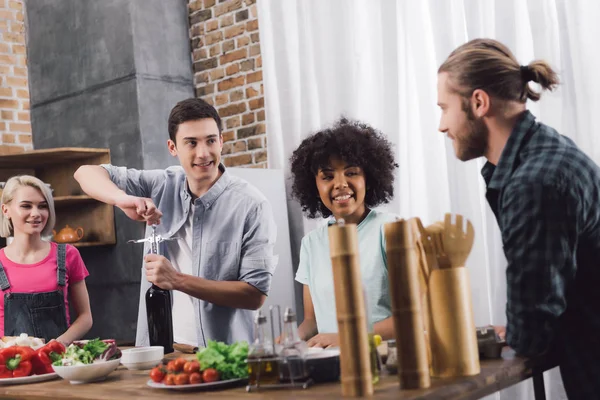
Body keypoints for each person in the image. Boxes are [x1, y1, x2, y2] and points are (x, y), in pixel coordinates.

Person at [437, 38, 600, 399]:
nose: (442, 125)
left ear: (478, 103)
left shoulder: (534, 182)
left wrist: (516, 330)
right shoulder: (546, 153)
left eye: (444, 108)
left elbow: (531, 330)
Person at [74, 98, 277, 347]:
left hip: (225, 353)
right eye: (191, 143)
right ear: (173, 147)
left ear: (222, 142)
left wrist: (177, 280)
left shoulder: (252, 205)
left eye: (211, 140)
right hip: (163, 350)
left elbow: (254, 294)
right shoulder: (161, 185)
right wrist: (125, 200)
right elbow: (85, 173)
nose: (203, 153)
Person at [289, 118, 399, 348]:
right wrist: (289, 340)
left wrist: (347, 338)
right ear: (314, 186)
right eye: (327, 176)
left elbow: (412, 319)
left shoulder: (391, 231)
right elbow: (312, 321)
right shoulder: (311, 243)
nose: (340, 184)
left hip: (383, 362)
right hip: (332, 364)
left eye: (351, 173)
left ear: (368, 178)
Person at [0, 175, 92, 345]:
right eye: (26, 206)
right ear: (6, 210)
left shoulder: (68, 255)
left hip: (59, 361)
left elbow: (86, 317)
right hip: (11, 365)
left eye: (42, 206)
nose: (36, 214)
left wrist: (58, 345)